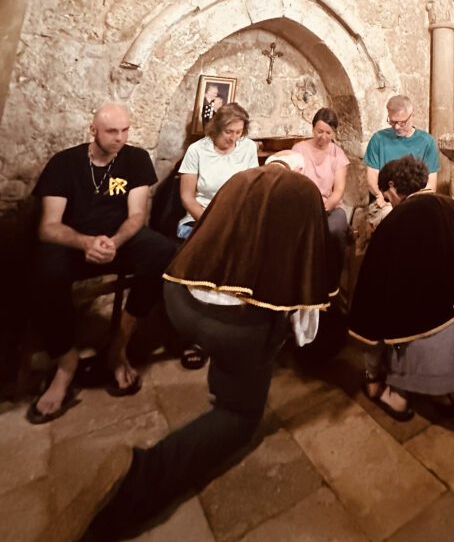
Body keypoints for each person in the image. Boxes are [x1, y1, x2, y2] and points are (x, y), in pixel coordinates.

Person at [82, 161, 336, 540]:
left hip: (180, 297)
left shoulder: (241, 181)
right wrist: (291, 332)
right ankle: (140, 480)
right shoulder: (298, 194)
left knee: (232, 360)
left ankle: (224, 379)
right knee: (239, 416)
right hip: (232, 328)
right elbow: (302, 290)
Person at [27, 103, 175, 424]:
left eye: (125, 130)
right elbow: (49, 226)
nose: (120, 138)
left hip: (117, 241)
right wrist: (86, 243)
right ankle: (66, 365)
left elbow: (137, 216)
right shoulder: (65, 163)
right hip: (75, 243)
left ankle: (118, 346)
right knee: (43, 272)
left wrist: (114, 243)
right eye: (112, 131)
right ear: (93, 130)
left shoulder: (135, 159)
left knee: (162, 252)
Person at [349, 155, 454, 421]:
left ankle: (399, 397)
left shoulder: (396, 222)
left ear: (391, 186)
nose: (389, 204)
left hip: (432, 350)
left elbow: (373, 297)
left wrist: (371, 371)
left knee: (401, 326)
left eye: (387, 199)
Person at [177, 102, 258, 239]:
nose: (234, 138)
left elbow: (254, 189)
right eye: (229, 132)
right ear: (217, 128)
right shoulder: (197, 150)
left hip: (235, 218)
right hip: (201, 217)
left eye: (238, 132)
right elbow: (187, 197)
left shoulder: (248, 147)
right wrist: (211, 223)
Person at [292, 107, 350, 268]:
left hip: (330, 207)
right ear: (312, 128)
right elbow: (293, 184)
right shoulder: (299, 149)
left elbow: (338, 192)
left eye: (328, 133)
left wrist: (321, 210)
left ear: (334, 133)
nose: (323, 137)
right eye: (319, 131)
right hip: (303, 206)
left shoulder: (338, 155)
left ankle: (332, 280)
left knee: (334, 231)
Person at [363, 94, 439, 205]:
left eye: (402, 122)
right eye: (392, 122)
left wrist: (407, 203)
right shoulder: (378, 139)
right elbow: (372, 177)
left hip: (415, 203)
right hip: (385, 201)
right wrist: (380, 196)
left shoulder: (427, 142)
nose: (397, 127)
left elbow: (431, 186)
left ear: (412, 116)